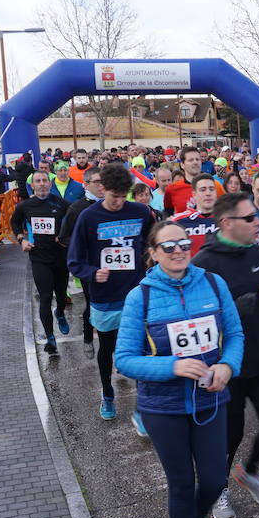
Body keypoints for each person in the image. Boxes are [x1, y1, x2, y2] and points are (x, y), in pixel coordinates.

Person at [115, 220, 244, 518]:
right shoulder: (142, 296)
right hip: (164, 407)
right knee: (182, 484)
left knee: (213, 477)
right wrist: (172, 366)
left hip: (210, 399)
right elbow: (125, 359)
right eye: (167, 246)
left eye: (183, 243)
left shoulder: (214, 284)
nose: (178, 250)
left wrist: (227, 366)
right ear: (152, 253)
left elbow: (235, 336)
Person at [192, 192, 259, 518]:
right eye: (250, 218)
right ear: (227, 223)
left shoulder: (255, 252)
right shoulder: (204, 263)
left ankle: (250, 471)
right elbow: (190, 314)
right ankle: (219, 490)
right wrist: (231, 306)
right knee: (230, 436)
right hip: (225, 366)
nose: (258, 221)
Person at [68, 163, 157, 421]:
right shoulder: (88, 217)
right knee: (107, 347)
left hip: (137, 293)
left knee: (142, 348)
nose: (118, 201)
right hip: (105, 296)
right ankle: (107, 394)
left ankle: (143, 405)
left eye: (122, 196)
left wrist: (151, 261)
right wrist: (92, 272)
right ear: (102, 189)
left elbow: (154, 244)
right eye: (113, 196)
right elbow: (74, 260)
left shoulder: (141, 212)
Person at [12, 170, 72, 356]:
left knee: (61, 295)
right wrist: (22, 239)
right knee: (45, 297)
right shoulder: (25, 206)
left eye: (45, 180)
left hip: (60, 256)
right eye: (38, 181)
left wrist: (65, 238)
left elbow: (73, 222)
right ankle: (50, 338)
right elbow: (15, 223)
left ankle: (60, 312)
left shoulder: (61, 204)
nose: (42, 184)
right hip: (39, 258)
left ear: (50, 183)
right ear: (32, 185)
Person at [61, 166, 104, 356]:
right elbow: (64, 237)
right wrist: (83, 250)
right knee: (93, 303)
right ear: (86, 184)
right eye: (97, 182)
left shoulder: (111, 205)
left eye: (104, 181)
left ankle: (117, 348)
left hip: (113, 266)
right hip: (90, 268)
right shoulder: (77, 208)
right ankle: (88, 338)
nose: (102, 185)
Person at [165, 147, 225, 215]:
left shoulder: (215, 185)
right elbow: (167, 214)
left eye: (197, 159)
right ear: (182, 165)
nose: (195, 162)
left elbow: (225, 210)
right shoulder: (172, 189)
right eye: (191, 160)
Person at [172, 174, 221, 253]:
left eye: (211, 189)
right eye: (203, 190)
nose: (208, 193)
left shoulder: (227, 220)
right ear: (194, 194)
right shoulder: (178, 222)